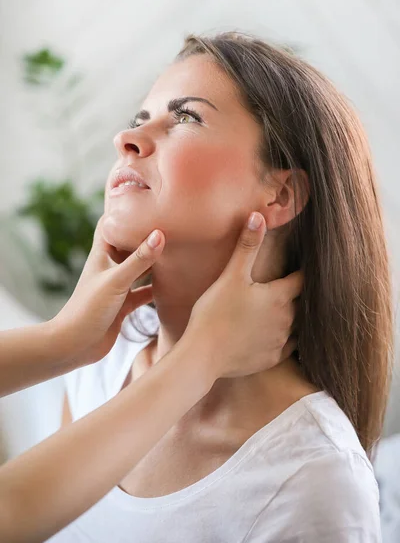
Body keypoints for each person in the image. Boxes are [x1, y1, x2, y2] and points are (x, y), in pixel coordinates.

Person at [54, 31, 393, 542]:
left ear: (280, 193)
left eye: (186, 117)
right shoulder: (99, 358)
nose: (126, 140)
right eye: (139, 120)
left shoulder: (314, 481)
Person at [0, 211, 301, 543]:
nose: (123, 154)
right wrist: (201, 357)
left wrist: (60, 341)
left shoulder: (312, 481)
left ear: (283, 194)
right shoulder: (105, 366)